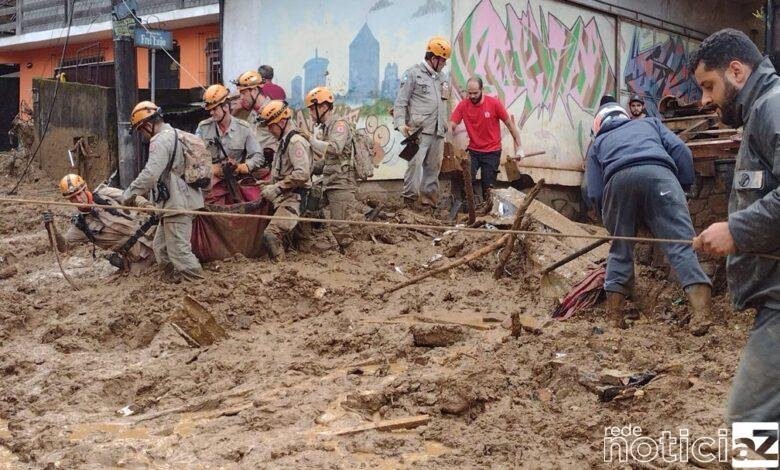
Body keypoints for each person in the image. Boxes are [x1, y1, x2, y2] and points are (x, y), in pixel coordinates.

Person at [689, 28, 780, 427]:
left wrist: (736, 230)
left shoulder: (771, 108)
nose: (704, 100)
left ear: (737, 70)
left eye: (709, 86)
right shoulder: (762, 110)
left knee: (750, 419)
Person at [585, 102, 712, 330]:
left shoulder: (598, 143)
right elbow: (682, 152)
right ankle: (702, 315)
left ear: (598, 124)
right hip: (661, 176)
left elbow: (593, 190)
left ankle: (614, 318)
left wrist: (610, 218)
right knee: (682, 245)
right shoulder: (650, 123)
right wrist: (682, 185)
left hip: (618, 182)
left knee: (620, 249)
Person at [122, 101, 204, 282]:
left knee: (179, 253)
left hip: (177, 202)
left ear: (148, 125)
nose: (142, 135)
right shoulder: (176, 134)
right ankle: (172, 283)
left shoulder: (160, 140)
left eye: (141, 130)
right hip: (175, 202)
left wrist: (129, 193)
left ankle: (198, 286)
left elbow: (151, 174)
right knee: (161, 247)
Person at [42, 174, 156, 272]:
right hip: (140, 257)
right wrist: (50, 227)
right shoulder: (81, 226)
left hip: (154, 236)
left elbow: (132, 197)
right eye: (73, 198)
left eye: (80, 193)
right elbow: (63, 247)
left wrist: (147, 206)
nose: (79, 199)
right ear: (69, 201)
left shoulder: (105, 193)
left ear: (86, 188)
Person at [394, 36, 451, 213]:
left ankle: (428, 204)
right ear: (433, 58)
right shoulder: (413, 74)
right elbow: (400, 102)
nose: (444, 64)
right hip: (419, 132)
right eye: (442, 60)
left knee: (433, 169)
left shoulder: (442, 78)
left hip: (438, 131)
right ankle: (409, 205)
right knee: (414, 167)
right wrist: (400, 124)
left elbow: (444, 102)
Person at [449, 76, 523, 203]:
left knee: (488, 188)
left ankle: (487, 213)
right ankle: (468, 213)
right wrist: (446, 132)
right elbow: (452, 124)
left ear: (482, 90)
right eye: (469, 93)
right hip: (473, 151)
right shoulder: (463, 105)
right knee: (466, 181)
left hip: (492, 152)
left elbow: (510, 126)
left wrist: (520, 148)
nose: (471, 96)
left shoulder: (494, 104)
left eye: (475, 93)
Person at [303, 86, 359, 251]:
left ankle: (351, 255)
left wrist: (311, 140)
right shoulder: (327, 127)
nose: (311, 113)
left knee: (339, 228)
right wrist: (309, 168)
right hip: (329, 182)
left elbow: (335, 149)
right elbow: (329, 160)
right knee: (308, 206)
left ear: (323, 107)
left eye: (313, 109)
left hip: (340, 184)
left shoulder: (339, 125)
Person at [256, 100, 312, 261]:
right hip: (289, 197)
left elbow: (302, 174)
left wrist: (277, 188)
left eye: (271, 125)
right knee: (302, 246)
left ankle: (281, 270)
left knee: (270, 235)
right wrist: (270, 184)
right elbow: (286, 172)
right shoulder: (285, 141)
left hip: (296, 199)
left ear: (281, 121)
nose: (269, 129)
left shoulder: (295, 142)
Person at [195, 84, 265, 180]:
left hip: (236, 180)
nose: (211, 113)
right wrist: (211, 168)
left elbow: (258, 156)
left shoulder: (244, 128)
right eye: (210, 110)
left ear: (226, 107)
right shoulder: (203, 128)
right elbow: (194, 157)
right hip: (211, 181)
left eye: (214, 109)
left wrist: (242, 167)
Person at [235, 70, 278, 159]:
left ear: (254, 90)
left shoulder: (274, 111)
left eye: (243, 93)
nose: (241, 98)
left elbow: (287, 140)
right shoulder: (252, 114)